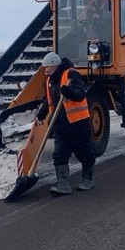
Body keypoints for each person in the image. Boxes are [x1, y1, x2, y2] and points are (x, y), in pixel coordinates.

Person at [35, 52, 96, 194]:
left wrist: (69, 92)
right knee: (59, 154)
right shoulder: (50, 80)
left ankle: (88, 179)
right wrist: (41, 113)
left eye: (47, 67)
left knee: (83, 152)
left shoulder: (71, 75)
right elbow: (49, 100)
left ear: (54, 65)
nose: (45, 70)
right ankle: (63, 185)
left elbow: (80, 94)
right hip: (60, 125)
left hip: (77, 123)